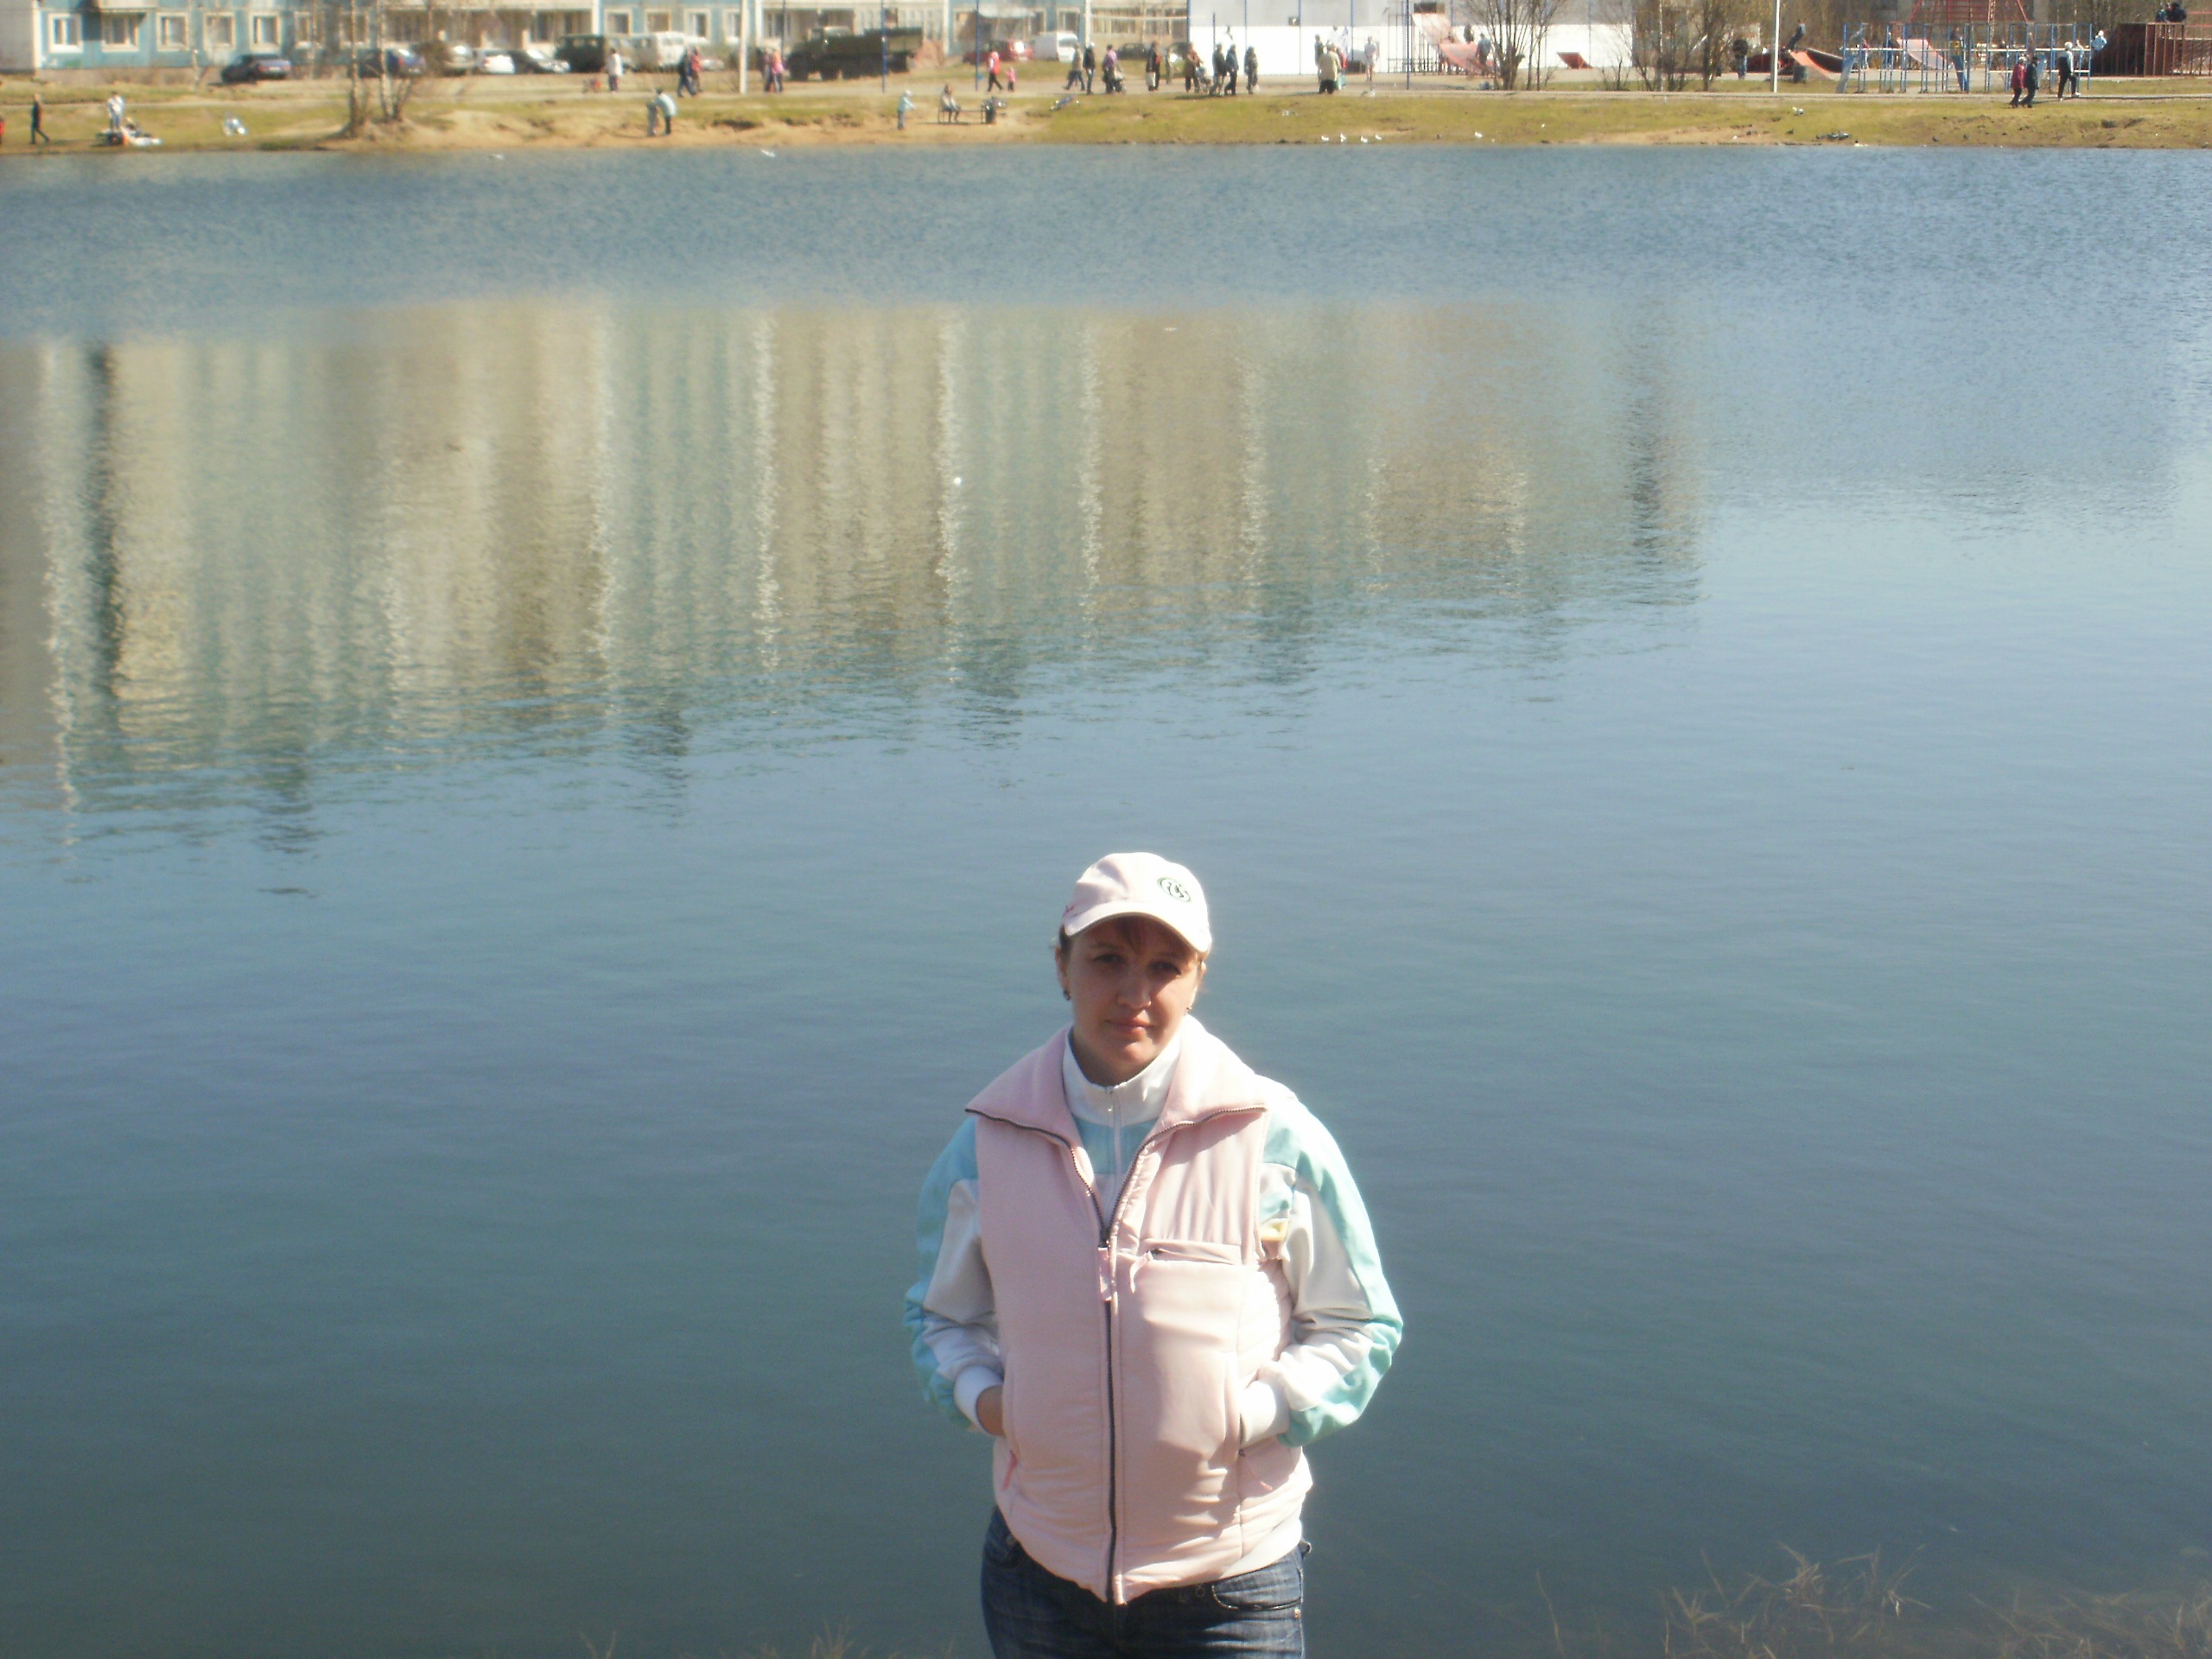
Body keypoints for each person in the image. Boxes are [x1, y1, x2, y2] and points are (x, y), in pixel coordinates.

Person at [906, 853, 1402, 1659]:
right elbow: (942, 1321)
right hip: (1038, 1576)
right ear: (1061, 965)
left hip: (1231, 1588)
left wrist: (1253, 1416)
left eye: (1166, 967)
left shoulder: (1274, 1136)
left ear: (1199, 977)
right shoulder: (986, 1146)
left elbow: (1359, 1325)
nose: (1135, 993)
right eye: (1107, 960)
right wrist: (992, 1404)